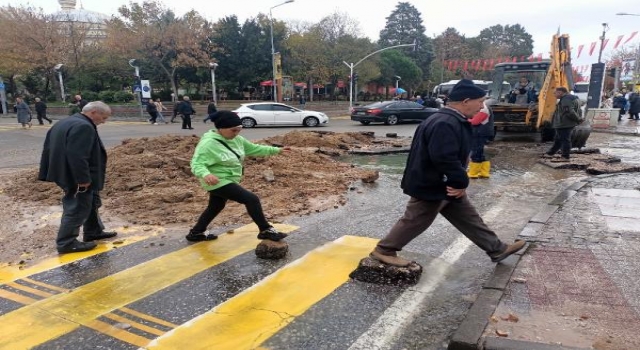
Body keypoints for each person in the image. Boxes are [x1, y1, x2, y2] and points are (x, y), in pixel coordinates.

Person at [368, 80, 525, 267]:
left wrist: (457, 182)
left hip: (442, 183)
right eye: (480, 101)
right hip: (432, 184)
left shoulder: (448, 119)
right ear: (465, 101)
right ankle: (384, 250)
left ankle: (497, 249)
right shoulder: (445, 122)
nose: (482, 107)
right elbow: (444, 158)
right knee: (415, 220)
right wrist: (459, 182)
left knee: (468, 218)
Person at [187, 111, 290, 242]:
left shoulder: (237, 140)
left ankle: (196, 232)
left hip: (229, 179)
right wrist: (205, 174)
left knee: (216, 206)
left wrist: (276, 150)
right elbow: (196, 163)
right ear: (221, 128)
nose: (236, 133)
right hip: (217, 180)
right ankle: (265, 230)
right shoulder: (209, 144)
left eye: (239, 130)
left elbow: (254, 149)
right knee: (251, 199)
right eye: (233, 130)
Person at [38, 101, 118, 254]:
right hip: (75, 176)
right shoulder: (84, 126)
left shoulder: (67, 122)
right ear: (94, 112)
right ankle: (66, 243)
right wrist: (82, 180)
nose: (104, 121)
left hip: (63, 171)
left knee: (92, 201)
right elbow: (78, 156)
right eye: (103, 117)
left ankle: (93, 231)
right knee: (77, 206)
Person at [542, 87, 583, 162]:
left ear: (561, 92)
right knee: (558, 139)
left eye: (555, 93)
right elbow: (578, 110)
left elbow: (569, 112)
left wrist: (578, 119)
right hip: (565, 123)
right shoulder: (574, 98)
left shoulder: (566, 99)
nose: (554, 94)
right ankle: (551, 153)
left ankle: (565, 157)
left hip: (564, 123)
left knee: (565, 140)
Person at [467, 101, 494, 178]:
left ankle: (473, 173)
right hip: (483, 133)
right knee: (482, 153)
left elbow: (475, 122)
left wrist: (464, 119)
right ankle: (484, 172)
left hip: (480, 133)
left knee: (476, 153)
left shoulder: (483, 109)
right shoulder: (484, 107)